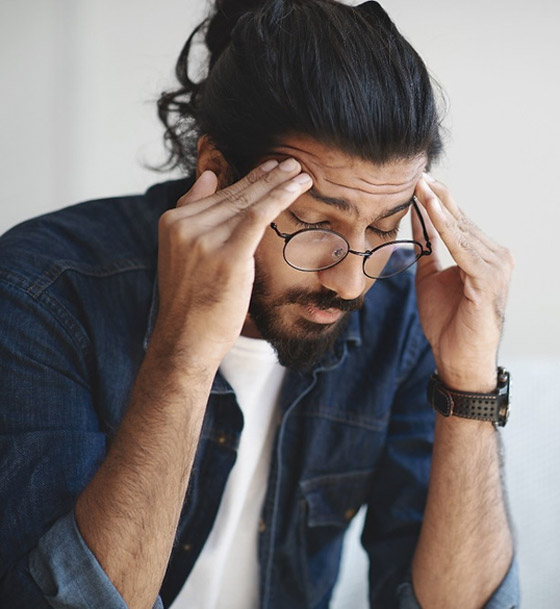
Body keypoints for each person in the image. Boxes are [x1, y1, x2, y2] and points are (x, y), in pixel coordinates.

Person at [0, 0, 519, 607]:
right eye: (315, 223)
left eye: (385, 226)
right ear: (217, 172)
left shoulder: (401, 319)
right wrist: (185, 353)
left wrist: (468, 381)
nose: (352, 282)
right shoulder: (43, 294)